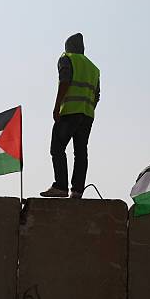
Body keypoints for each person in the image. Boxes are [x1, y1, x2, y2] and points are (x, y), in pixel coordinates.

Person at [40, 33, 100, 199]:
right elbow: (97, 95)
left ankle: (60, 186)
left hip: (70, 111)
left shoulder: (66, 58)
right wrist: (87, 109)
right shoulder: (94, 68)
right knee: (80, 152)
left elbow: (64, 81)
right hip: (87, 114)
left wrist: (57, 105)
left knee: (57, 148)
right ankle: (77, 191)